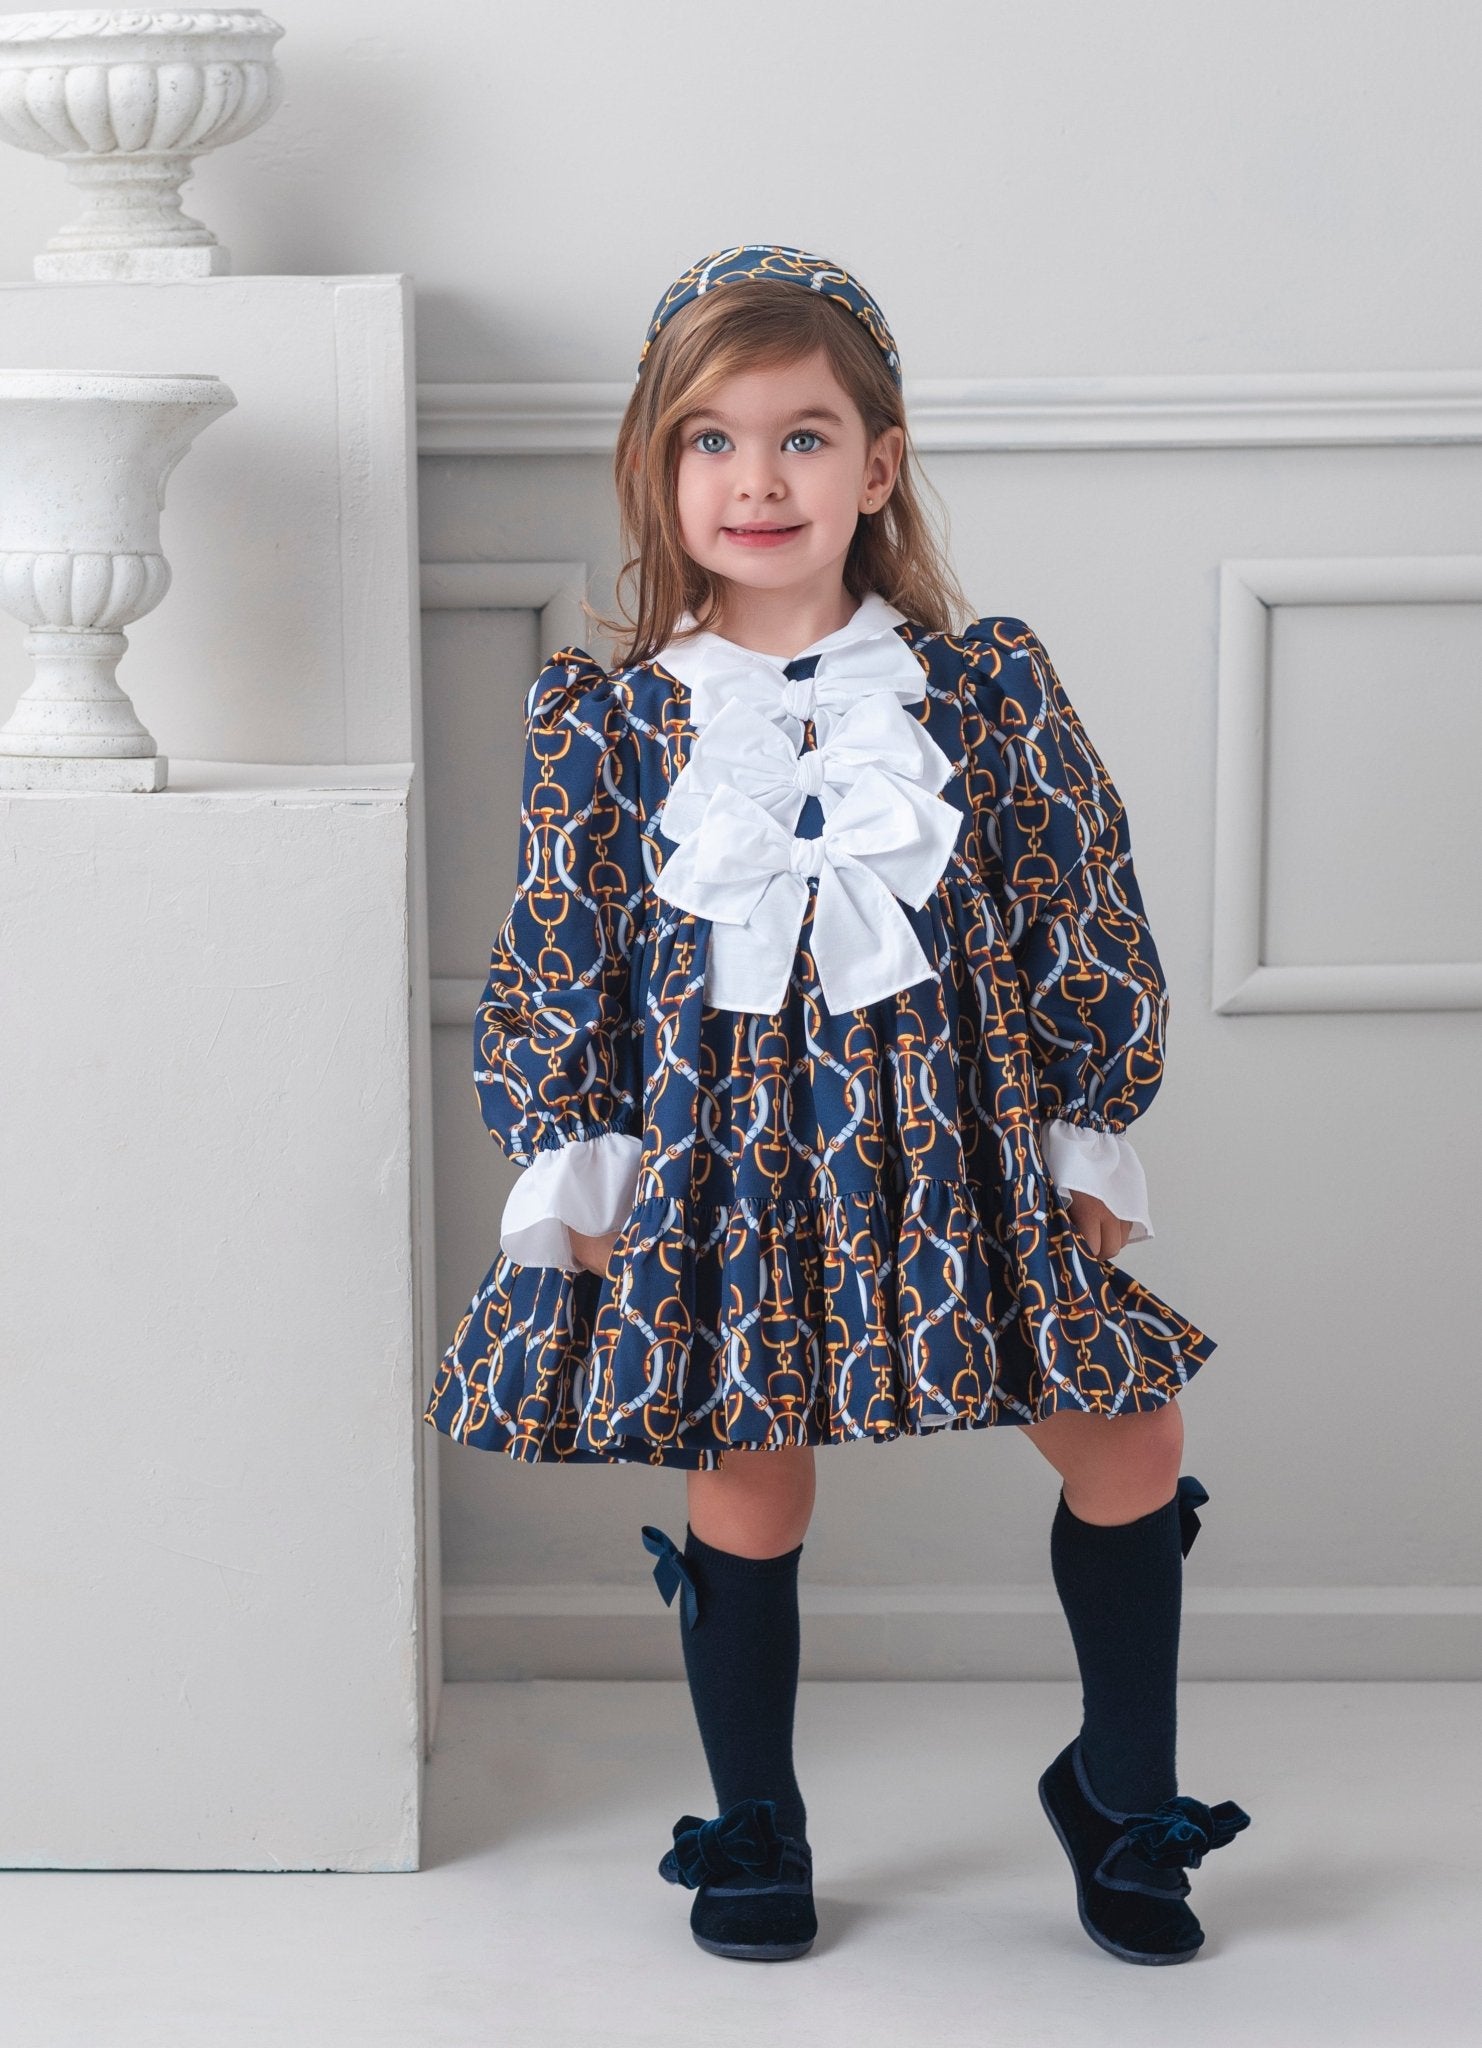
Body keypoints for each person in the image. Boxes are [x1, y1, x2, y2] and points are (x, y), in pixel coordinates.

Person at [422, 243, 1251, 1967]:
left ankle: (1118, 1790)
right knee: (749, 1475)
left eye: (802, 438)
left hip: (962, 1151)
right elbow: (559, 949)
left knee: (1130, 1435)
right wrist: (576, 1160)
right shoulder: (610, 720)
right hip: (721, 1164)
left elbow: (1077, 906)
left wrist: (1087, 1133)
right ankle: (756, 1824)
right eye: (711, 440)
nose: (756, 478)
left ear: (876, 466)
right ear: (660, 472)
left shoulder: (983, 692)